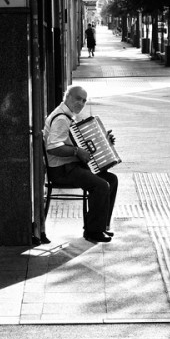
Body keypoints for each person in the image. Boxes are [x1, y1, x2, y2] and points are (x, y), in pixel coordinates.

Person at [43, 85, 118, 244]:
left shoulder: (68, 116)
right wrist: (76, 151)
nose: (81, 103)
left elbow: (80, 143)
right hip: (62, 171)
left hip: (71, 167)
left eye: (84, 101)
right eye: (78, 99)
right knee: (101, 185)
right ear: (67, 97)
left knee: (111, 180)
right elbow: (52, 147)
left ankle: (101, 225)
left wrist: (105, 141)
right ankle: (93, 231)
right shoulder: (62, 118)